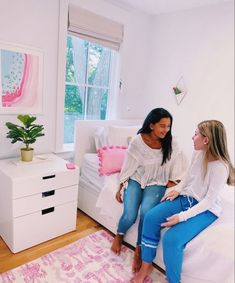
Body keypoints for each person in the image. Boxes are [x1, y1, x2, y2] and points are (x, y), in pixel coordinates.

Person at [131, 120, 235, 283]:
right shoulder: (198, 152)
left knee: (171, 239)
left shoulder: (221, 167)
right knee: (151, 218)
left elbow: (208, 201)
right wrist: (177, 190)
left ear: (206, 140)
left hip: (206, 210)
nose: (192, 137)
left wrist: (181, 217)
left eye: (196, 134)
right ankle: (146, 265)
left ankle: (173, 280)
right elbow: (188, 175)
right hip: (186, 198)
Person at [111, 108, 188, 273]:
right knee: (130, 214)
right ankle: (119, 234)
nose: (166, 130)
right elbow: (128, 166)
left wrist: (174, 181)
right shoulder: (137, 141)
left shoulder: (172, 142)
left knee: (147, 213)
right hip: (136, 179)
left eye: (168, 126)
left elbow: (180, 162)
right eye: (162, 126)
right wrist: (120, 186)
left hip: (158, 182)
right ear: (151, 125)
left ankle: (139, 249)